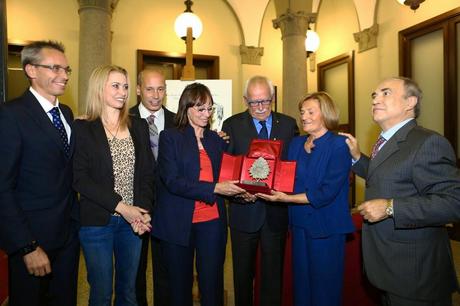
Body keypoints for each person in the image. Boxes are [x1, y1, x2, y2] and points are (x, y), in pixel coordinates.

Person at [340, 77, 460, 306]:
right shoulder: (388, 141)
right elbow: (390, 177)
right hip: (388, 268)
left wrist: (390, 207)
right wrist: (357, 158)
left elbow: (454, 201)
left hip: (414, 274)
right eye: (374, 95)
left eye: (385, 93)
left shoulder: (428, 142)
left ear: (410, 102)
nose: (376, 99)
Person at [0, 40, 80, 306]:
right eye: (55, 68)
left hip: (68, 236)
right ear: (31, 70)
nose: (65, 75)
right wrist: (26, 246)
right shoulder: (11, 115)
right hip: (33, 240)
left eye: (67, 69)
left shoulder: (66, 113)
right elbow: (3, 187)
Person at [257, 92, 355, 306]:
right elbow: (284, 176)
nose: (305, 116)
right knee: (302, 287)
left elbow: (326, 192)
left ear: (326, 114)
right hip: (299, 225)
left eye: (311, 112)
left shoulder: (340, 145)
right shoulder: (296, 144)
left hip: (326, 227)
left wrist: (286, 199)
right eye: (302, 112)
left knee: (324, 290)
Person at [152, 82, 245, 306]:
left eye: (210, 108)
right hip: (178, 223)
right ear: (186, 108)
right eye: (201, 109)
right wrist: (213, 188)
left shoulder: (216, 140)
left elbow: (227, 176)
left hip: (212, 222)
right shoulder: (170, 137)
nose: (207, 114)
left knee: (212, 286)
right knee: (179, 288)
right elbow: (173, 182)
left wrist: (244, 191)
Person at [73, 64, 154, 306]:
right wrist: (122, 207)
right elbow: (80, 179)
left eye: (126, 86)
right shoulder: (83, 128)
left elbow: (148, 174)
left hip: (133, 223)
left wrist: (143, 212)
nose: (123, 92)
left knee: (128, 292)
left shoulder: (138, 126)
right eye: (116, 86)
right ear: (99, 89)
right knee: (101, 293)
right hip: (97, 223)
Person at [221, 75, 299, 306]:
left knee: (273, 275)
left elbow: (292, 164)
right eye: (254, 102)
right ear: (245, 100)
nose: (261, 107)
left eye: (265, 101)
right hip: (244, 212)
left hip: (275, 213)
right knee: (242, 274)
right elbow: (227, 166)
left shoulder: (288, 124)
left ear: (273, 97)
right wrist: (238, 191)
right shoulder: (232, 125)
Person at [129, 68, 175, 306]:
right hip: (135, 206)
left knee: (165, 267)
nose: (156, 95)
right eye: (149, 89)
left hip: (169, 206)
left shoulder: (179, 121)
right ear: (138, 90)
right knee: (135, 267)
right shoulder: (123, 119)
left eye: (160, 89)